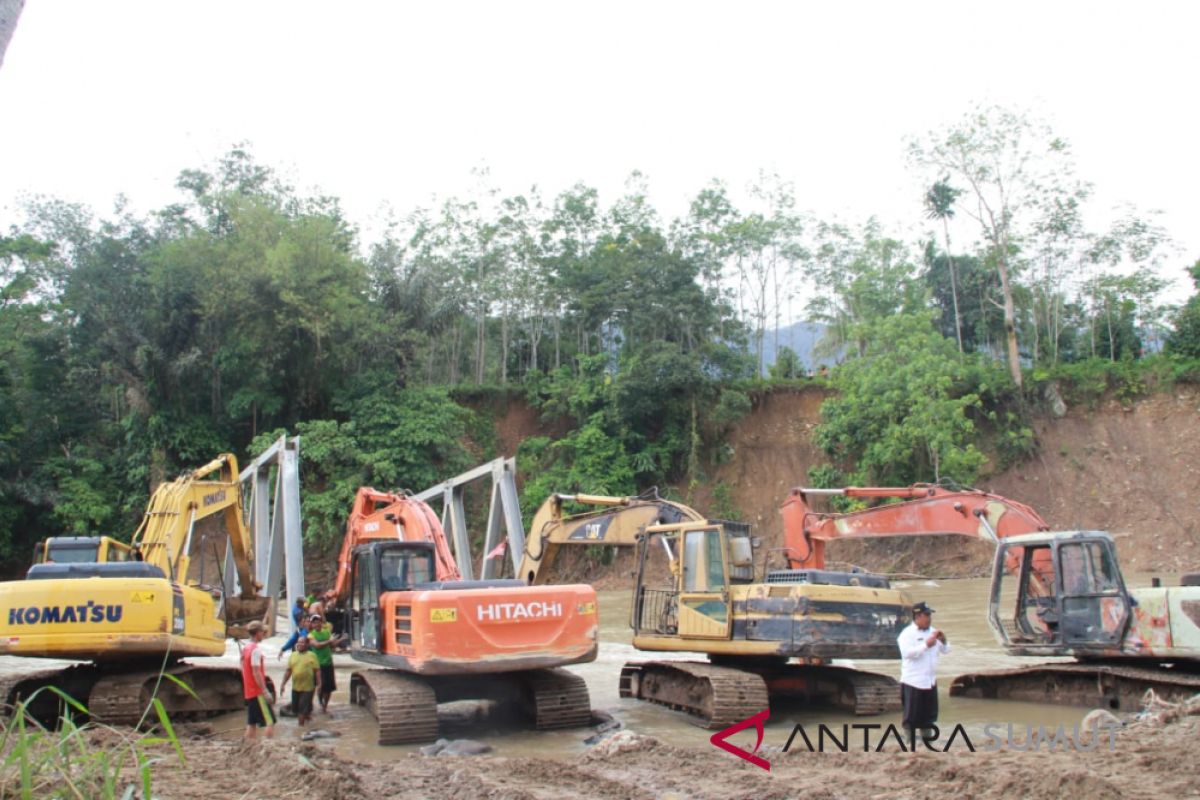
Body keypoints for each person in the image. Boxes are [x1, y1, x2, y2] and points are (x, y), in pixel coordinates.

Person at [897, 601, 949, 739]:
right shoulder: (907, 634)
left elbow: (947, 651)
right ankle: (909, 745)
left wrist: (944, 641)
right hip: (914, 681)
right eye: (926, 615)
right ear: (917, 616)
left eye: (930, 614)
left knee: (929, 718)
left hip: (930, 681)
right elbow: (907, 653)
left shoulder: (933, 631)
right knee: (911, 718)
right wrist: (926, 645)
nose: (929, 618)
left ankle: (928, 743)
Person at [241, 620, 275, 740]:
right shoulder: (255, 650)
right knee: (270, 720)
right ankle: (268, 746)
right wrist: (265, 691)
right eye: (263, 632)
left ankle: (247, 747)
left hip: (249, 691)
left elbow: (244, 668)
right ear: (257, 633)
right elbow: (256, 672)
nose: (264, 635)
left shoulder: (246, 648)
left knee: (252, 723)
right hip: (257, 692)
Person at [279, 634, 321, 726]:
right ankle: (307, 718)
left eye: (302, 642)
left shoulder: (312, 655)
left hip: (308, 688)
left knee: (302, 709)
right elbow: (288, 671)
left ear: (307, 644)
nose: (300, 644)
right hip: (296, 687)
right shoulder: (293, 656)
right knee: (296, 710)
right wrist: (283, 684)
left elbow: (317, 671)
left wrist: (319, 684)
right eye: (298, 642)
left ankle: (300, 729)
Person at [307, 610, 342, 713]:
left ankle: (324, 706)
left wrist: (339, 640)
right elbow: (317, 645)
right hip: (317, 665)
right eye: (314, 622)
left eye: (318, 621)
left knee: (329, 687)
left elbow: (332, 645)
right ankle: (320, 702)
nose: (316, 624)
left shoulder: (327, 632)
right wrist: (330, 641)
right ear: (312, 624)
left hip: (328, 663)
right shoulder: (311, 635)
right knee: (320, 685)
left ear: (321, 623)